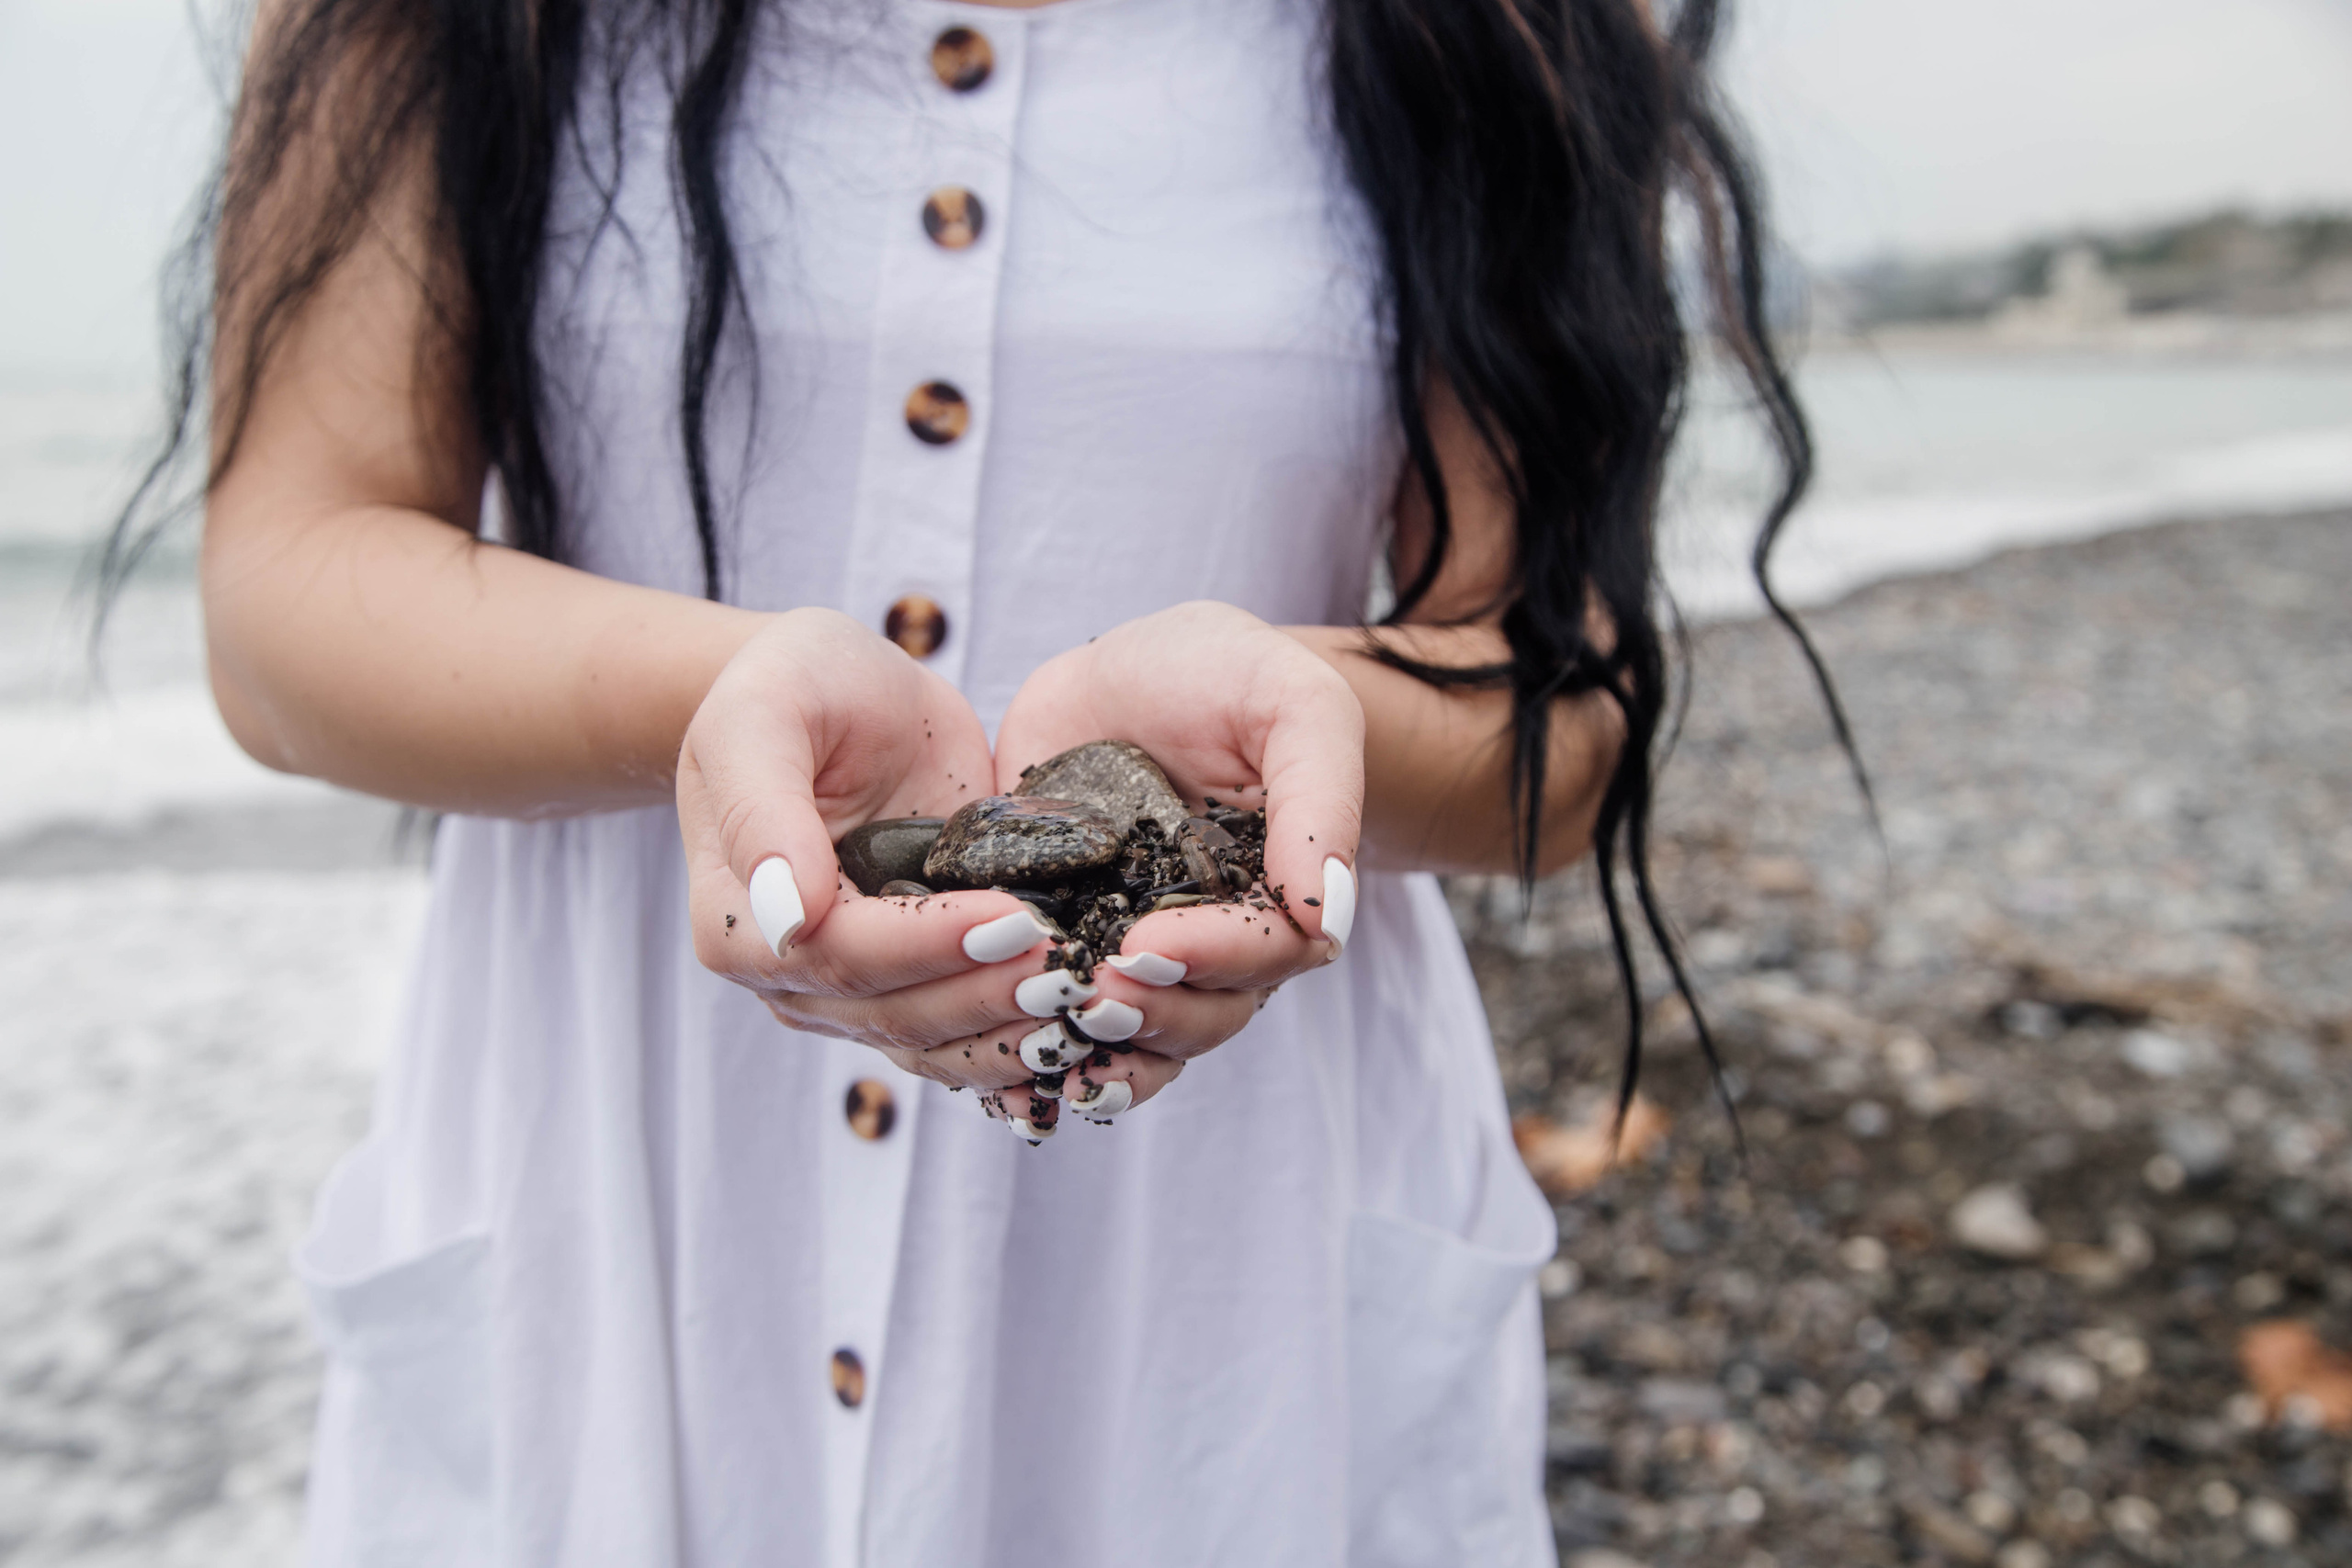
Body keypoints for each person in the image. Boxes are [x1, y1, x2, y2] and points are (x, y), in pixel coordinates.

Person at [119, 0, 1815, 1559]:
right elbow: (284, 600)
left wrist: (1310, 721)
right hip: (625, 1204)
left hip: (1227, 1257)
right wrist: (714, 694)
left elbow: (1562, 716)